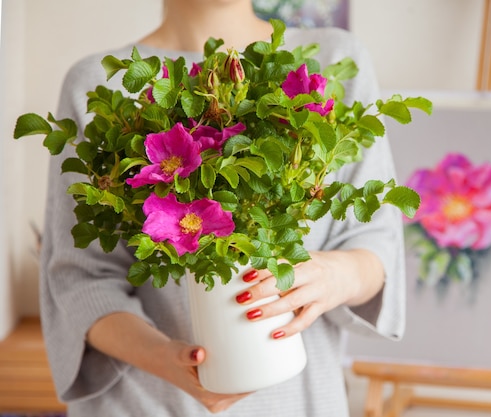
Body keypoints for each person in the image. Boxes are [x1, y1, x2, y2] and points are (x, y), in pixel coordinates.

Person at [39, 0, 406, 415]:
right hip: (145, 402)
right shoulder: (92, 82)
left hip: (297, 401)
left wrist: (330, 275)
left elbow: (375, 244)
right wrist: (166, 359)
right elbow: (80, 280)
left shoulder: (331, 60)